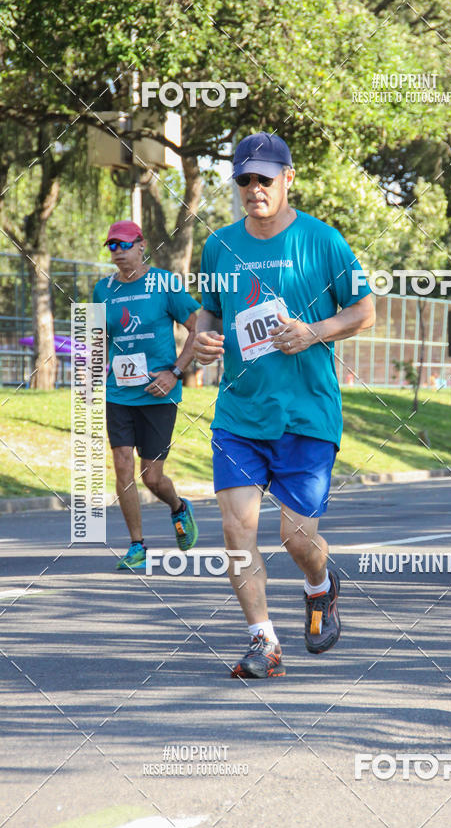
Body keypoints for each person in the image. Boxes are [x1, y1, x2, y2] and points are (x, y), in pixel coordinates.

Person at [193, 132, 375, 678]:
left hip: (307, 415)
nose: (254, 189)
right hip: (240, 414)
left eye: (264, 179)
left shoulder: (323, 241)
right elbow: (210, 312)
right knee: (236, 530)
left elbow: (365, 310)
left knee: (296, 538)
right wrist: (202, 339)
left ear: (288, 178)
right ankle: (264, 642)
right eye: (245, 180)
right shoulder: (218, 245)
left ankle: (320, 585)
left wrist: (314, 331)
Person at [93, 220, 200, 570]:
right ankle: (137, 545)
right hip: (119, 393)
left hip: (158, 392)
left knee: (152, 477)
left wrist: (175, 372)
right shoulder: (102, 290)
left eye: (125, 245)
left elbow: (197, 326)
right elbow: (97, 339)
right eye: (112, 246)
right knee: (122, 464)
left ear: (142, 245)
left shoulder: (165, 283)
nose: (118, 252)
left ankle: (178, 507)